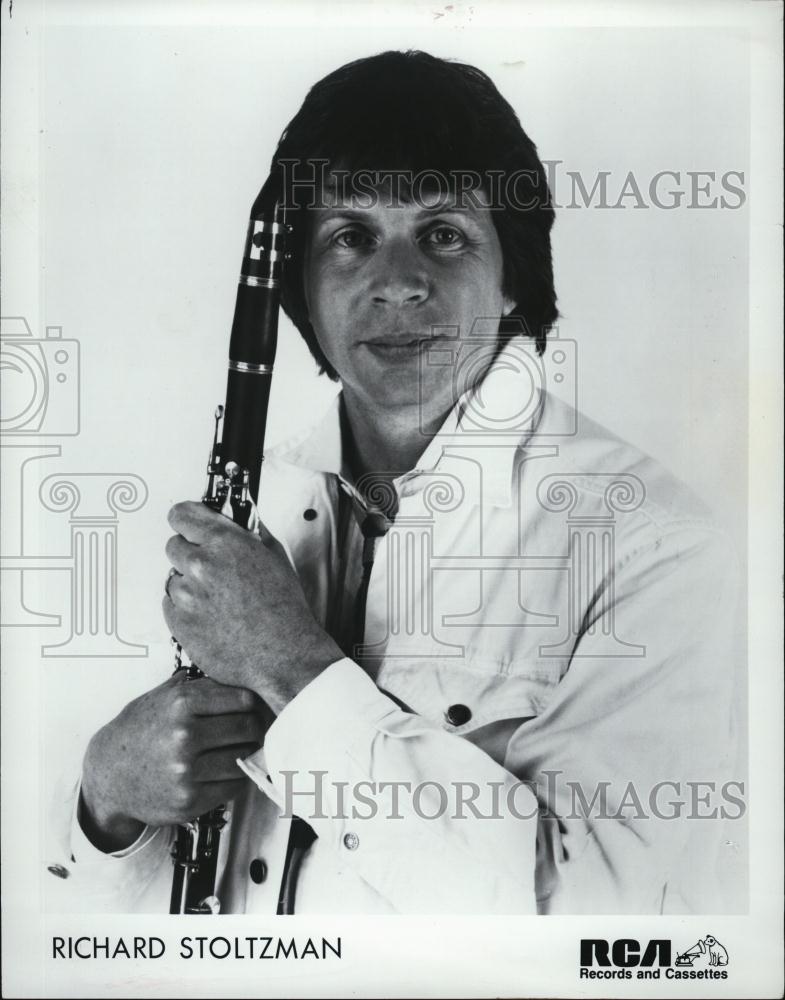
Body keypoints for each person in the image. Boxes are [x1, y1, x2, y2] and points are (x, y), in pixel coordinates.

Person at [46, 50, 740, 915]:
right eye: (351, 238)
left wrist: (292, 667)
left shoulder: (658, 548)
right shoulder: (258, 512)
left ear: (513, 271)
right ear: (301, 284)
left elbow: (586, 925)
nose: (398, 283)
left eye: (443, 234)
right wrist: (110, 808)